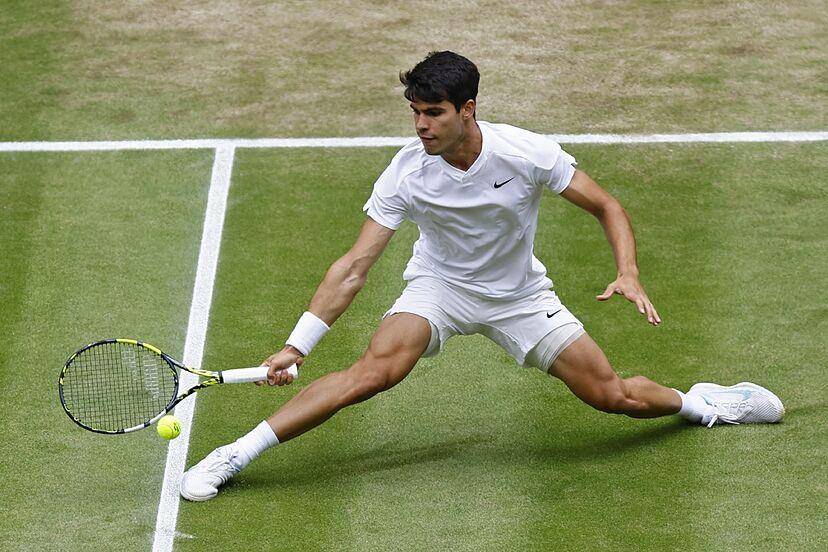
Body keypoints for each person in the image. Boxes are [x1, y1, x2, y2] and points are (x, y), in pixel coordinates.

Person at [180, 51, 784, 502]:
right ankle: (233, 455)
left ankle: (702, 403)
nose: (421, 126)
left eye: (433, 113)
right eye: (415, 113)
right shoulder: (406, 172)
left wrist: (626, 271)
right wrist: (297, 344)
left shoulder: (524, 153)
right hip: (440, 286)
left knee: (613, 397)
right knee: (375, 371)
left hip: (520, 295)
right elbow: (355, 266)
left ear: (468, 109)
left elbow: (607, 205)